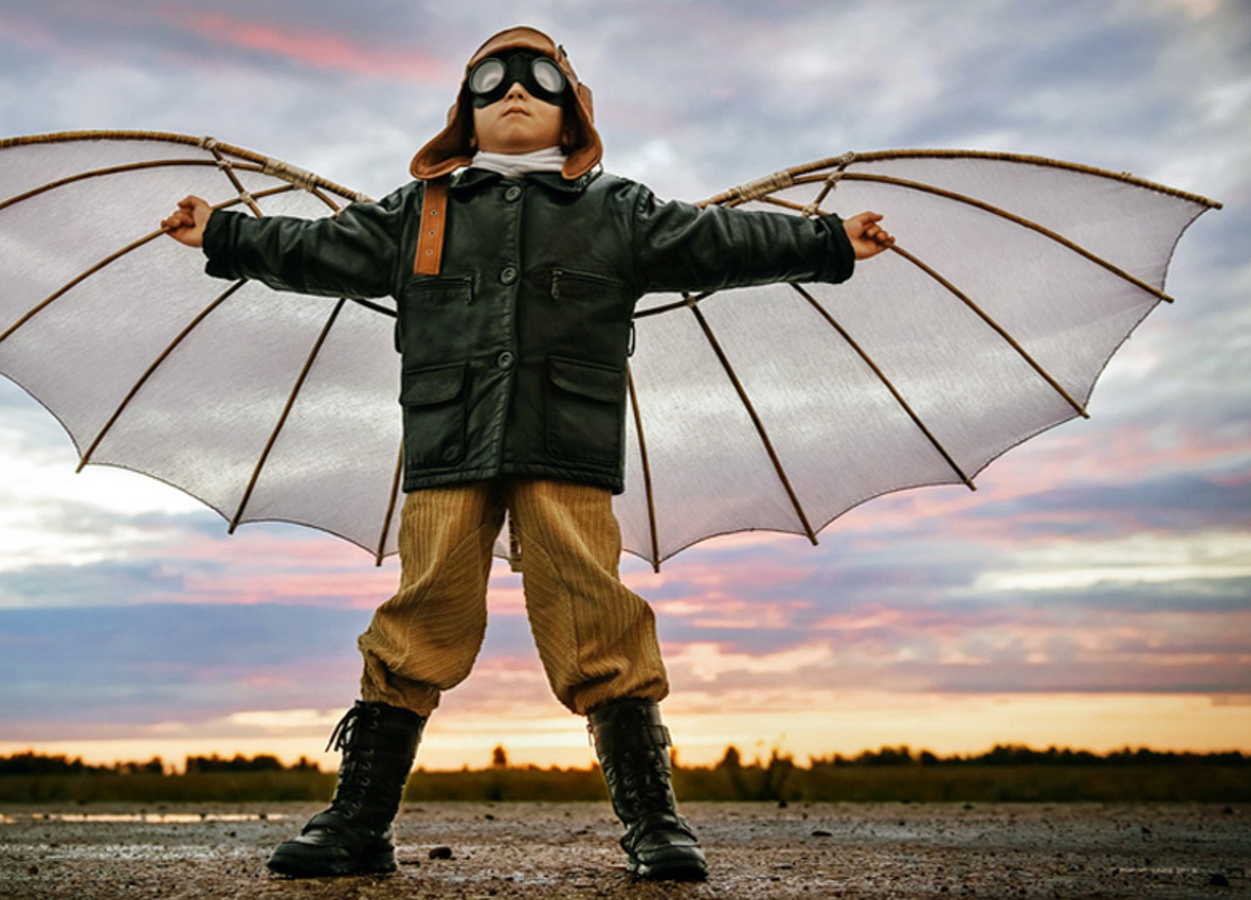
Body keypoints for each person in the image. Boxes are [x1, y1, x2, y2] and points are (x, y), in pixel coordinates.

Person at [164, 25, 894, 882]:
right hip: (448, 439)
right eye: (492, 80)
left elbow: (720, 241)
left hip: (566, 438)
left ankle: (653, 821)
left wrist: (829, 241)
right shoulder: (418, 210)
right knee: (423, 608)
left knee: (595, 609)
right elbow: (315, 249)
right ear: (464, 113)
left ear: (572, 111)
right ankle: (359, 821)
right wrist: (224, 234)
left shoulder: (618, 210)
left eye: (540, 78)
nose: (515, 90)